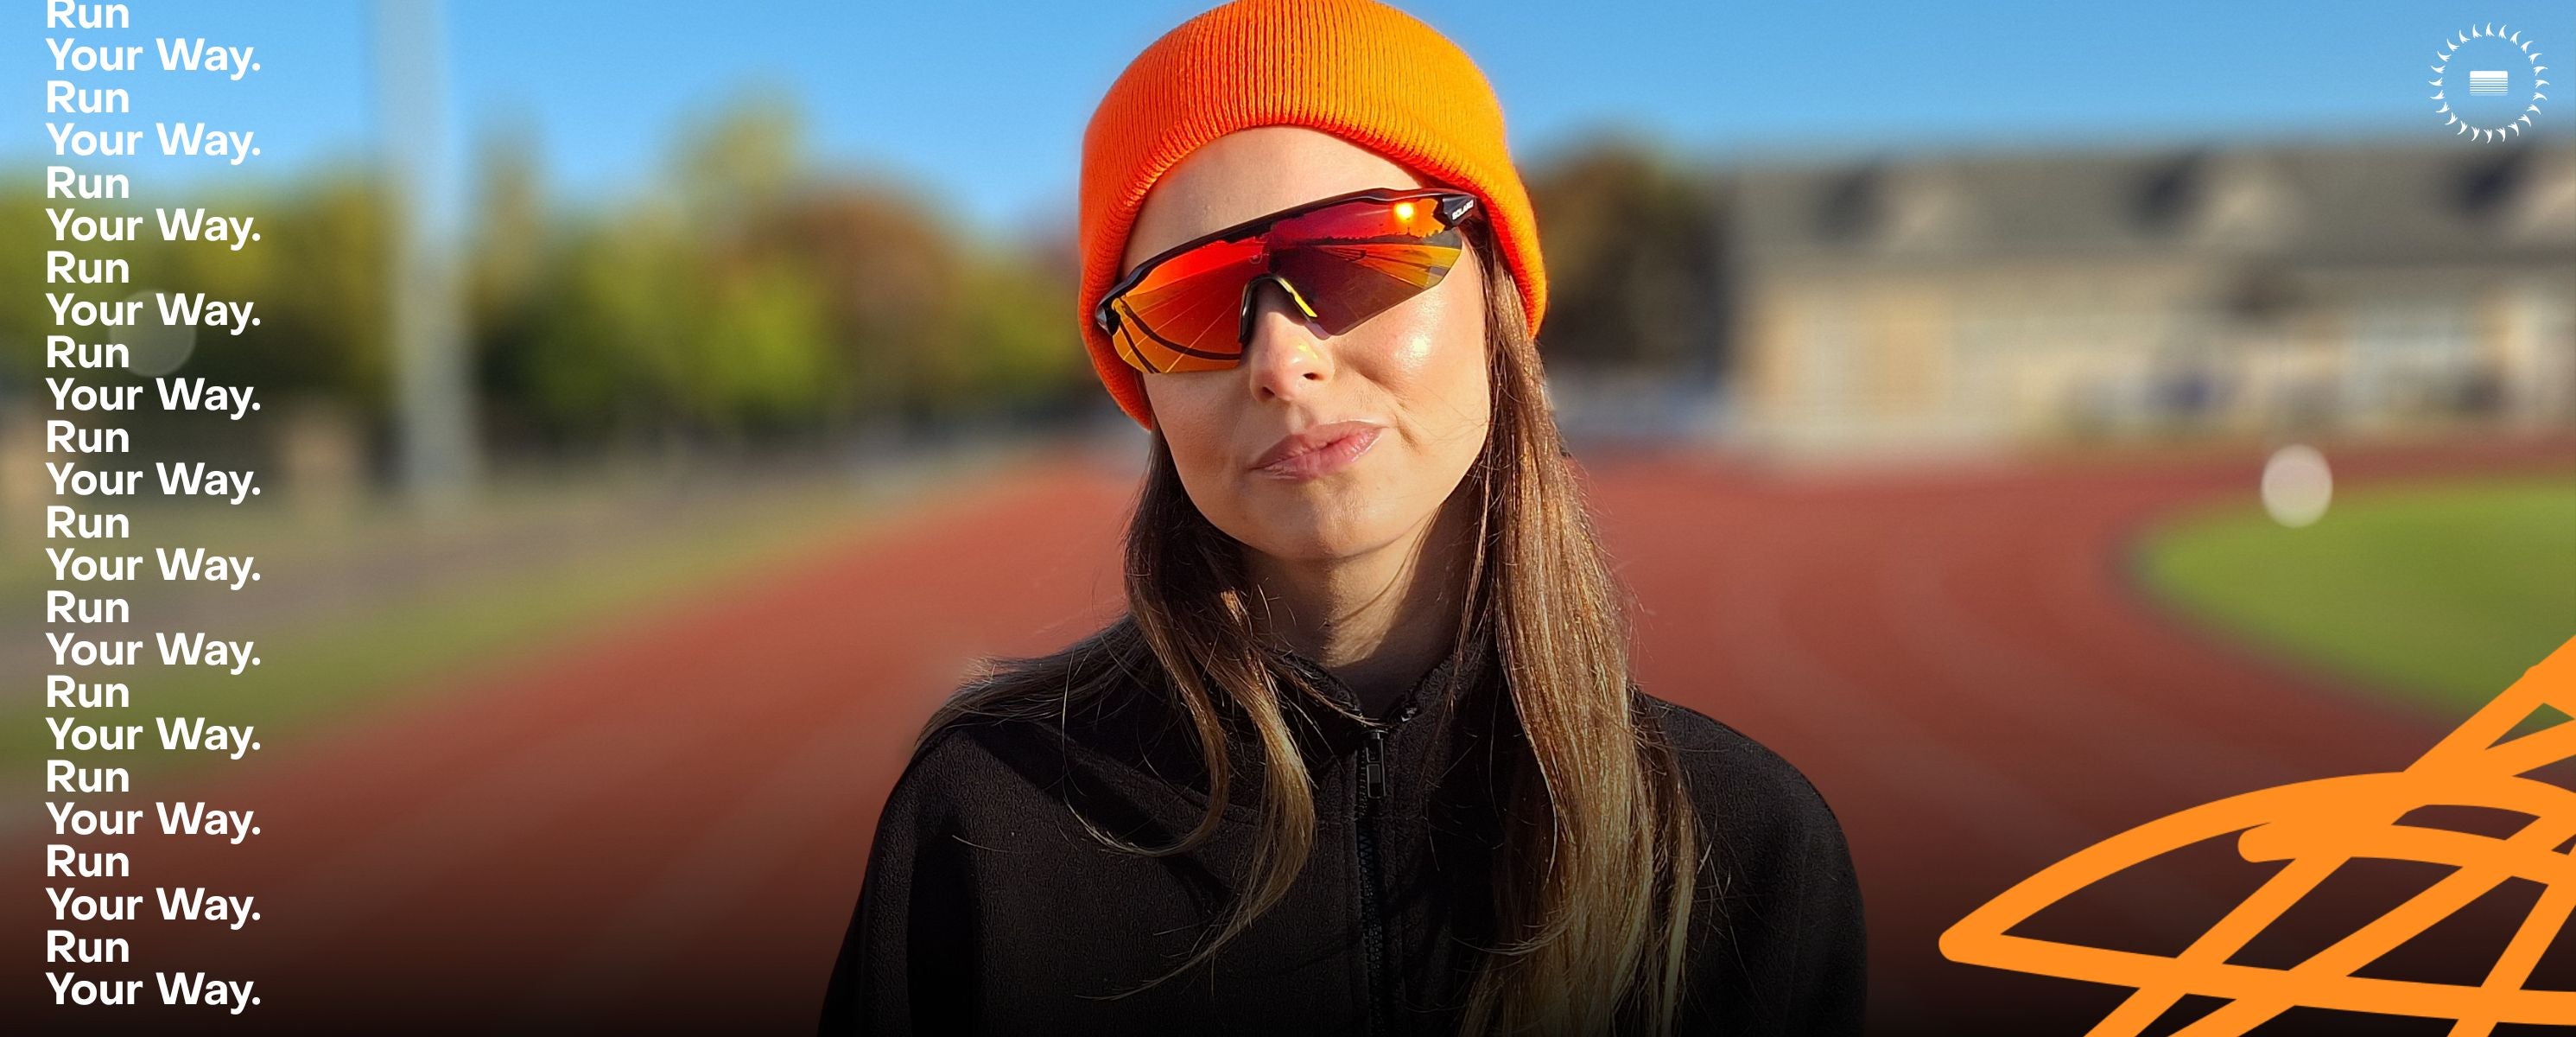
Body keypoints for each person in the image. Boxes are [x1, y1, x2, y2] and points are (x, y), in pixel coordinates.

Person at [818, 1, 1864, 1034]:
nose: (1283, 359)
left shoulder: (1745, 849)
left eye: (1358, 252)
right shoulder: (985, 819)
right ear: (1144, 388)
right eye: (1186, 302)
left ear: (1496, 294)